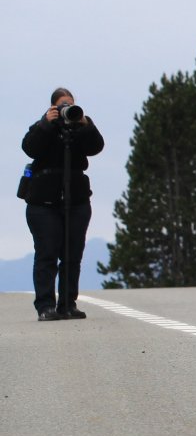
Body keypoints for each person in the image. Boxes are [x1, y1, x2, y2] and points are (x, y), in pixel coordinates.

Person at [22, 87, 104, 320]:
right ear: (52, 107)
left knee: (72, 255)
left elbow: (96, 147)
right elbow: (29, 148)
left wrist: (85, 123)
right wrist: (45, 123)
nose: (67, 108)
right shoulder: (42, 128)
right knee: (47, 253)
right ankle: (45, 306)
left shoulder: (79, 129)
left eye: (70, 104)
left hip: (77, 201)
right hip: (43, 204)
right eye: (62, 105)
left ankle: (68, 304)